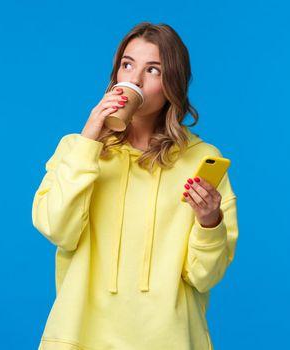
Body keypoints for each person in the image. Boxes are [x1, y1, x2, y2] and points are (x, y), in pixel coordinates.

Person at [32, 21, 239, 350]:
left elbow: (204, 276)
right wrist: (89, 143)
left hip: (170, 340)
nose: (135, 80)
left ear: (173, 82)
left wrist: (210, 222)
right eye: (127, 65)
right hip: (79, 338)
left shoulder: (200, 160)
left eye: (153, 70)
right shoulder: (77, 149)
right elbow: (58, 229)